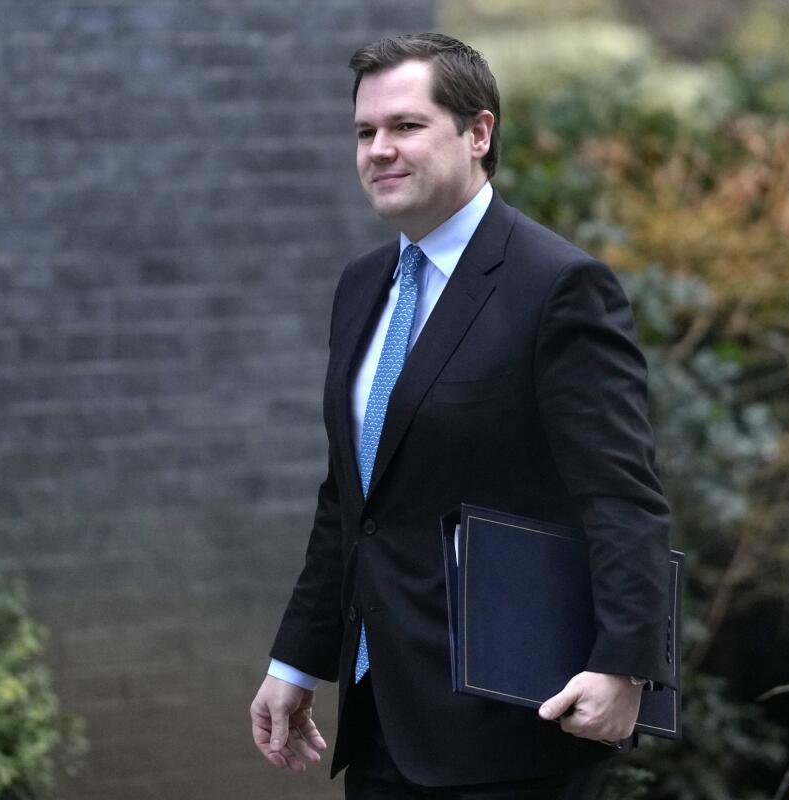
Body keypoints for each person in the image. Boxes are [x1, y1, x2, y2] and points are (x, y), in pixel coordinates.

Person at [249, 32, 674, 799]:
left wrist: (625, 665)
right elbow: (353, 498)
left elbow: (622, 497)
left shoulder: (559, 287)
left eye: (405, 126)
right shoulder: (361, 287)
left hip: (513, 728)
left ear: (478, 133)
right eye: (364, 132)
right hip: (380, 722)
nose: (378, 149)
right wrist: (296, 662)